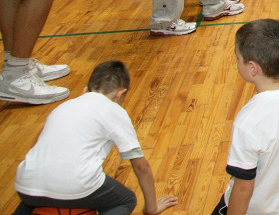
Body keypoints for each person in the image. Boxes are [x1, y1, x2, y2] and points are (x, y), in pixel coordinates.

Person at [13, 61, 178, 214]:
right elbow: (142, 168)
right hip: (76, 186)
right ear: (120, 94)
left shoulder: (62, 107)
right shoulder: (114, 111)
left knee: (35, 197)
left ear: (85, 90)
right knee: (126, 200)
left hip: (25, 184)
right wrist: (152, 208)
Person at [211, 19, 279, 215]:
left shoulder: (249, 121)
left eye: (237, 58)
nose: (236, 61)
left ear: (253, 68)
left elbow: (243, 188)